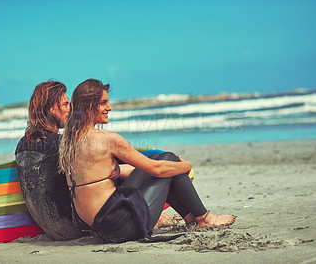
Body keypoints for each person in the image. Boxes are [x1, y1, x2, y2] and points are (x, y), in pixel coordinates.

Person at [59, 79, 235, 243]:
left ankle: (191, 218)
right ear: (89, 106)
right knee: (168, 159)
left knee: (162, 161)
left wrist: (171, 166)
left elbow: (132, 169)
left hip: (100, 229)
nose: (109, 107)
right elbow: (156, 170)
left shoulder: (68, 140)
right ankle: (204, 218)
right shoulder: (107, 139)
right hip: (120, 227)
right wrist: (186, 166)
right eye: (103, 103)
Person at [15, 80, 84, 240]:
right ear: (52, 108)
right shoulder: (59, 143)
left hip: (48, 229)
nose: (70, 109)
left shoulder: (22, 144)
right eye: (66, 104)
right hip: (72, 228)